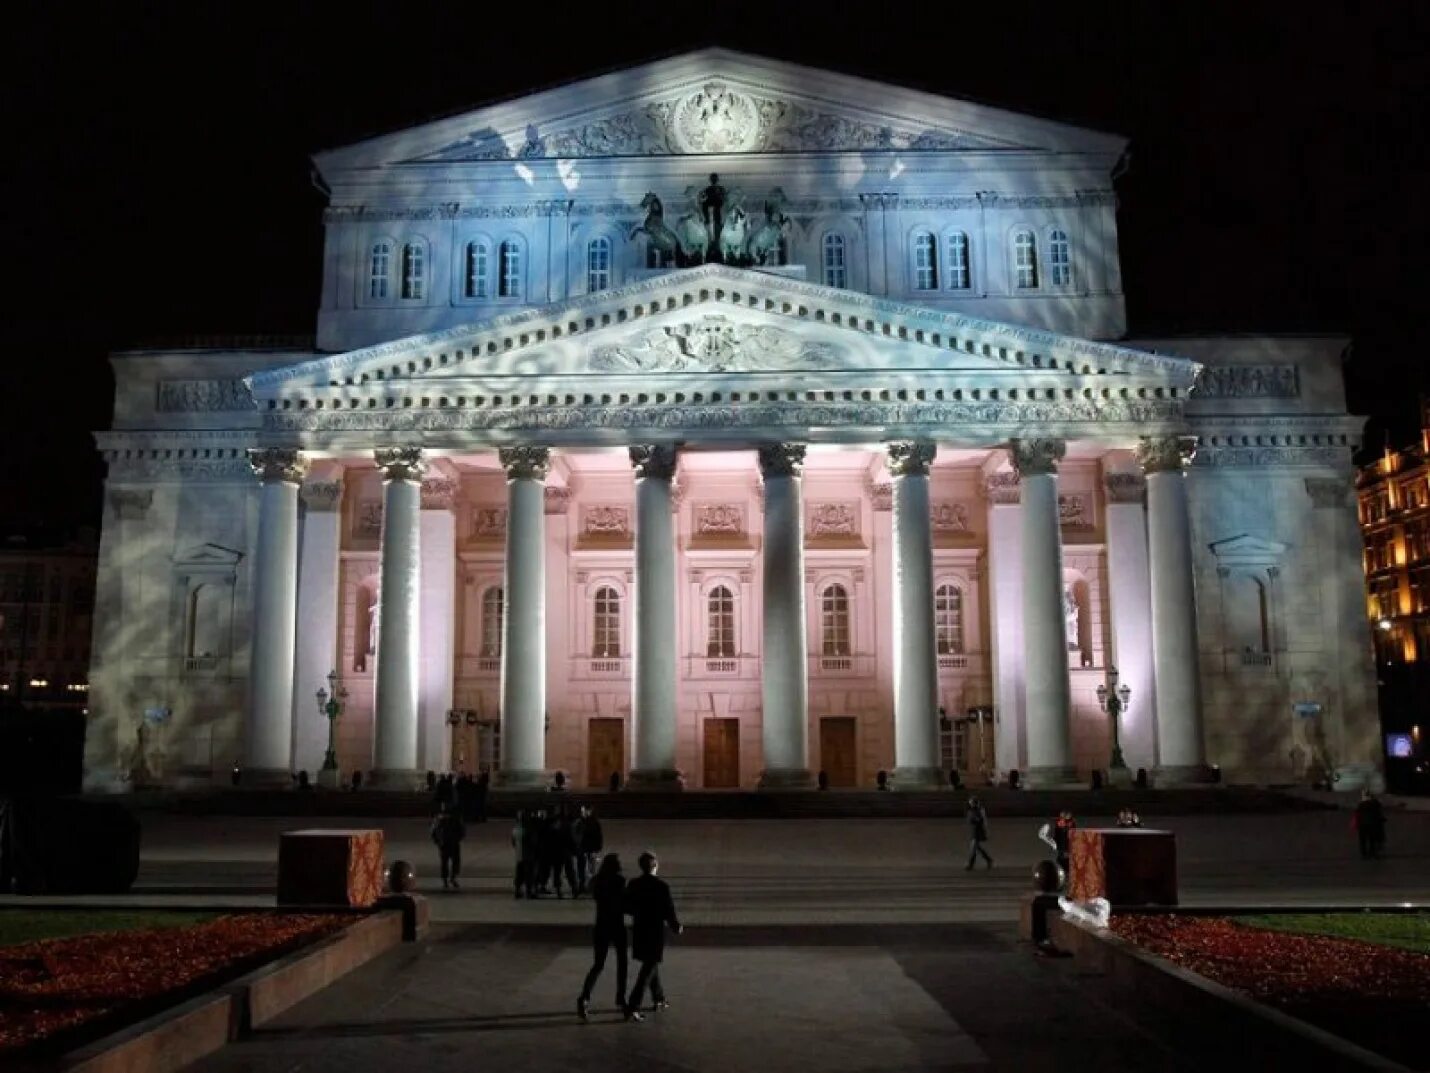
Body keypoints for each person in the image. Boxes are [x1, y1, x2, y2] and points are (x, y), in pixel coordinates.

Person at [623, 851, 683, 1021]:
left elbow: (626, 906)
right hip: (655, 931)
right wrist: (676, 926)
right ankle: (633, 1005)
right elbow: (668, 909)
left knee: (651, 963)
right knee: (649, 967)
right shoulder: (661, 886)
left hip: (640, 929)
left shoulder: (634, 884)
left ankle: (659, 998)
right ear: (655, 866)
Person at [577, 853, 629, 1020]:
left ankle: (584, 997)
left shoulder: (597, 881)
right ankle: (621, 998)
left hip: (601, 926)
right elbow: (624, 903)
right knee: (622, 963)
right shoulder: (620, 881)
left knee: (598, 964)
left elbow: (589, 890)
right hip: (617, 926)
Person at [431, 802, 466, 890]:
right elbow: (462, 830)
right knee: (451, 862)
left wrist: (437, 841)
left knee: (447, 862)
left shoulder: (440, 818)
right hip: (449, 843)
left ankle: (448, 879)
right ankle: (450, 879)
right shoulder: (451, 817)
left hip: (447, 843)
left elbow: (434, 831)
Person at [575, 805, 604, 895]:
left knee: (590, 868)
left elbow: (598, 836)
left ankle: (588, 885)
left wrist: (598, 847)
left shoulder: (593, 823)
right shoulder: (581, 822)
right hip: (583, 848)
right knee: (583, 868)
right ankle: (583, 885)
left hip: (589, 848)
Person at [1353, 789, 1387, 859]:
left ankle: (1364, 854)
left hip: (1363, 825)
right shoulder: (1375, 804)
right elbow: (1379, 814)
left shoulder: (1361, 804)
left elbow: (1357, 814)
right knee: (1372, 840)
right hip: (1373, 825)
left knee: (1363, 840)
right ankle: (1372, 853)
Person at [512, 809, 536, 898]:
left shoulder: (515, 829)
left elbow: (513, 842)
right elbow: (533, 842)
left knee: (519, 873)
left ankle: (518, 890)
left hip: (519, 855)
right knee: (528, 873)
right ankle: (529, 892)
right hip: (528, 855)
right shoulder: (528, 829)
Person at [965, 796, 993, 870]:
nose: (970, 804)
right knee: (977, 848)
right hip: (974, 830)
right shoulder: (972, 811)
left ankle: (971, 864)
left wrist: (975, 820)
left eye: (971, 803)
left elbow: (982, 820)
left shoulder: (979, 810)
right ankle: (988, 860)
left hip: (978, 831)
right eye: (970, 803)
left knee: (973, 848)